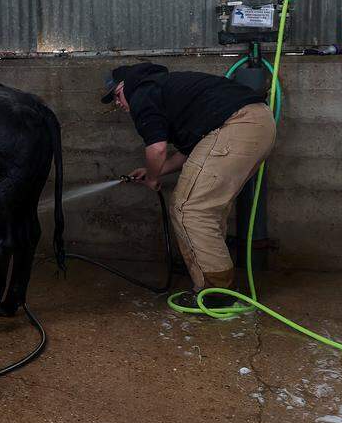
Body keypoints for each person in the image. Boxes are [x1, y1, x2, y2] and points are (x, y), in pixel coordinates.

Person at [101, 62, 276, 308]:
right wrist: (155, 171)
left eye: (116, 96)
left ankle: (215, 293)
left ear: (124, 85)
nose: (118, 103)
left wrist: (152, 178)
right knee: (207, 209)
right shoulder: (164, 89)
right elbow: (186, 153)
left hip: (237, 125)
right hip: (256, 123)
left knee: (189, 209)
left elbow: (157, 148)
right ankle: (213, 277)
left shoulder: (140, 92)